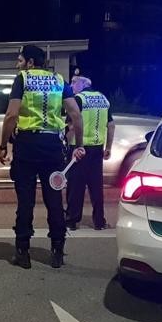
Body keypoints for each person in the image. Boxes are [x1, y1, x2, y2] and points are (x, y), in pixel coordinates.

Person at [0, 45, 84, 269]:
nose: (18, 64)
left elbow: (11, 115)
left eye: (20, 60)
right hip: (53, 146)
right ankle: (57, 250)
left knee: (25, 200)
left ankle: (23, 252)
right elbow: (75, 114)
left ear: (30, 62)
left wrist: (3, 144)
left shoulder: (22, 79)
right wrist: (79, 144)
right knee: (54, 199)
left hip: (27, 144)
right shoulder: (59, 80)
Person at [64, 75, 115, 231]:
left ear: (82, 84)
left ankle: (72, 220)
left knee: (75, 187)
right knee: (96, 187)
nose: (72, 85)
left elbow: (71, 126)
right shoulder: (103, 99)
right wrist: (108, 148)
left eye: (74, 82)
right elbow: (111, 125)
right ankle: (99, 222)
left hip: (78, 149)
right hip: (97, 149)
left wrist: (65, 141)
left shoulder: (78, 99)